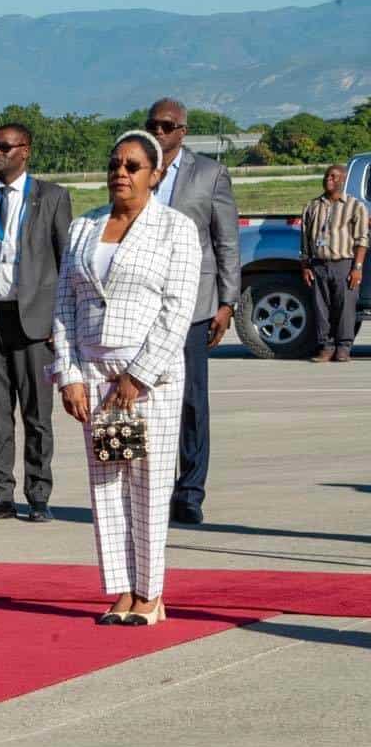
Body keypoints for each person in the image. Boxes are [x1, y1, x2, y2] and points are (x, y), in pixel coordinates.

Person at [52, 131, 200, 626]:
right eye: (115, 163)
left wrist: (137, 377)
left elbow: (177, 312)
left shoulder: (175, 229)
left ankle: (150, 592)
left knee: (150, 485)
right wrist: (69, 374)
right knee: (108, 485)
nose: (121, 172)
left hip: (147, 379)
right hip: (94, 373)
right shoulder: (83, 228)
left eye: (133, 166)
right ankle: (121, 589)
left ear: (155, 175)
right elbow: (64, 306)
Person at [143, 98, 240, 525]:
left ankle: (190, 490)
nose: (159, 132)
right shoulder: (136, 168)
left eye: (167, 126)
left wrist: (227, 302)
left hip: (194, 304)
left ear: (183, 131)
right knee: (143, 398)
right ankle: (152, 487)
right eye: (153, 125)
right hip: (143, 302)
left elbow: (226, 243)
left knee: (190, 402)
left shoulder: (210, 174)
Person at [0, 124, 71, 524]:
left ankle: (39, 494)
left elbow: (67, 263)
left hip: (34, 319)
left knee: (36, 413)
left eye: (5, 147)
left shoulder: (51, 197)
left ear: (25, 151)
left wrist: (60, 323)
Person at [300, 164, 367, 363]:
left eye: (334, 176)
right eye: (327, 176)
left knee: (345, 307)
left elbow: (362, 240)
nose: (329, 179)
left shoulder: (355, 206)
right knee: (322, 308)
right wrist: (305, 266)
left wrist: (357, 268)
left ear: (344, 180)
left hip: (344, 263)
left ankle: (344, 347)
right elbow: (304, 239)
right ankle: (326, 347)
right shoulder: (312, 206)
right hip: (319, 264)